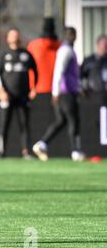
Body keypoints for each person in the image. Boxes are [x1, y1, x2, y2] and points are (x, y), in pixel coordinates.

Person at [33, 27, 85, 162]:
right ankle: (75, 151)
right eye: (70, 34)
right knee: (73, 120)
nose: (72, 37)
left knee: (61, 121)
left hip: (65, 91)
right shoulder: (66, 50)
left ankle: (42, 144)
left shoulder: (68, 49)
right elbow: (59, 71)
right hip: (65, 92)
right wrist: (55, 92)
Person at [0, 28, 38, 159]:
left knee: (24, 124)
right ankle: (1, 152)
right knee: (4, 124)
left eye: (16, 35)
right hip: (7, 96)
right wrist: (1, 91)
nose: (14, 38)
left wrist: (34, 88)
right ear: (7, 39)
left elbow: (35, 72)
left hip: (23, 95)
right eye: (11, 36)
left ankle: (26, 152)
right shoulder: (3, 54)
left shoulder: (26, 54)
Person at [27, 17, 61, 94]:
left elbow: (28, 69)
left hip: (36, 90)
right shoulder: (61, 47)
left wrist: (31, 87)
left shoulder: (33, 46)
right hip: (57, 92)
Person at [81, 35, 107, 107]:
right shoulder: (89, 60)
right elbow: (81, 76)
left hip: (105, 95)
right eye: (104, 44)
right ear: (98, 45)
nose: (105, 47)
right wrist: (83, 88)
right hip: (92, 96)